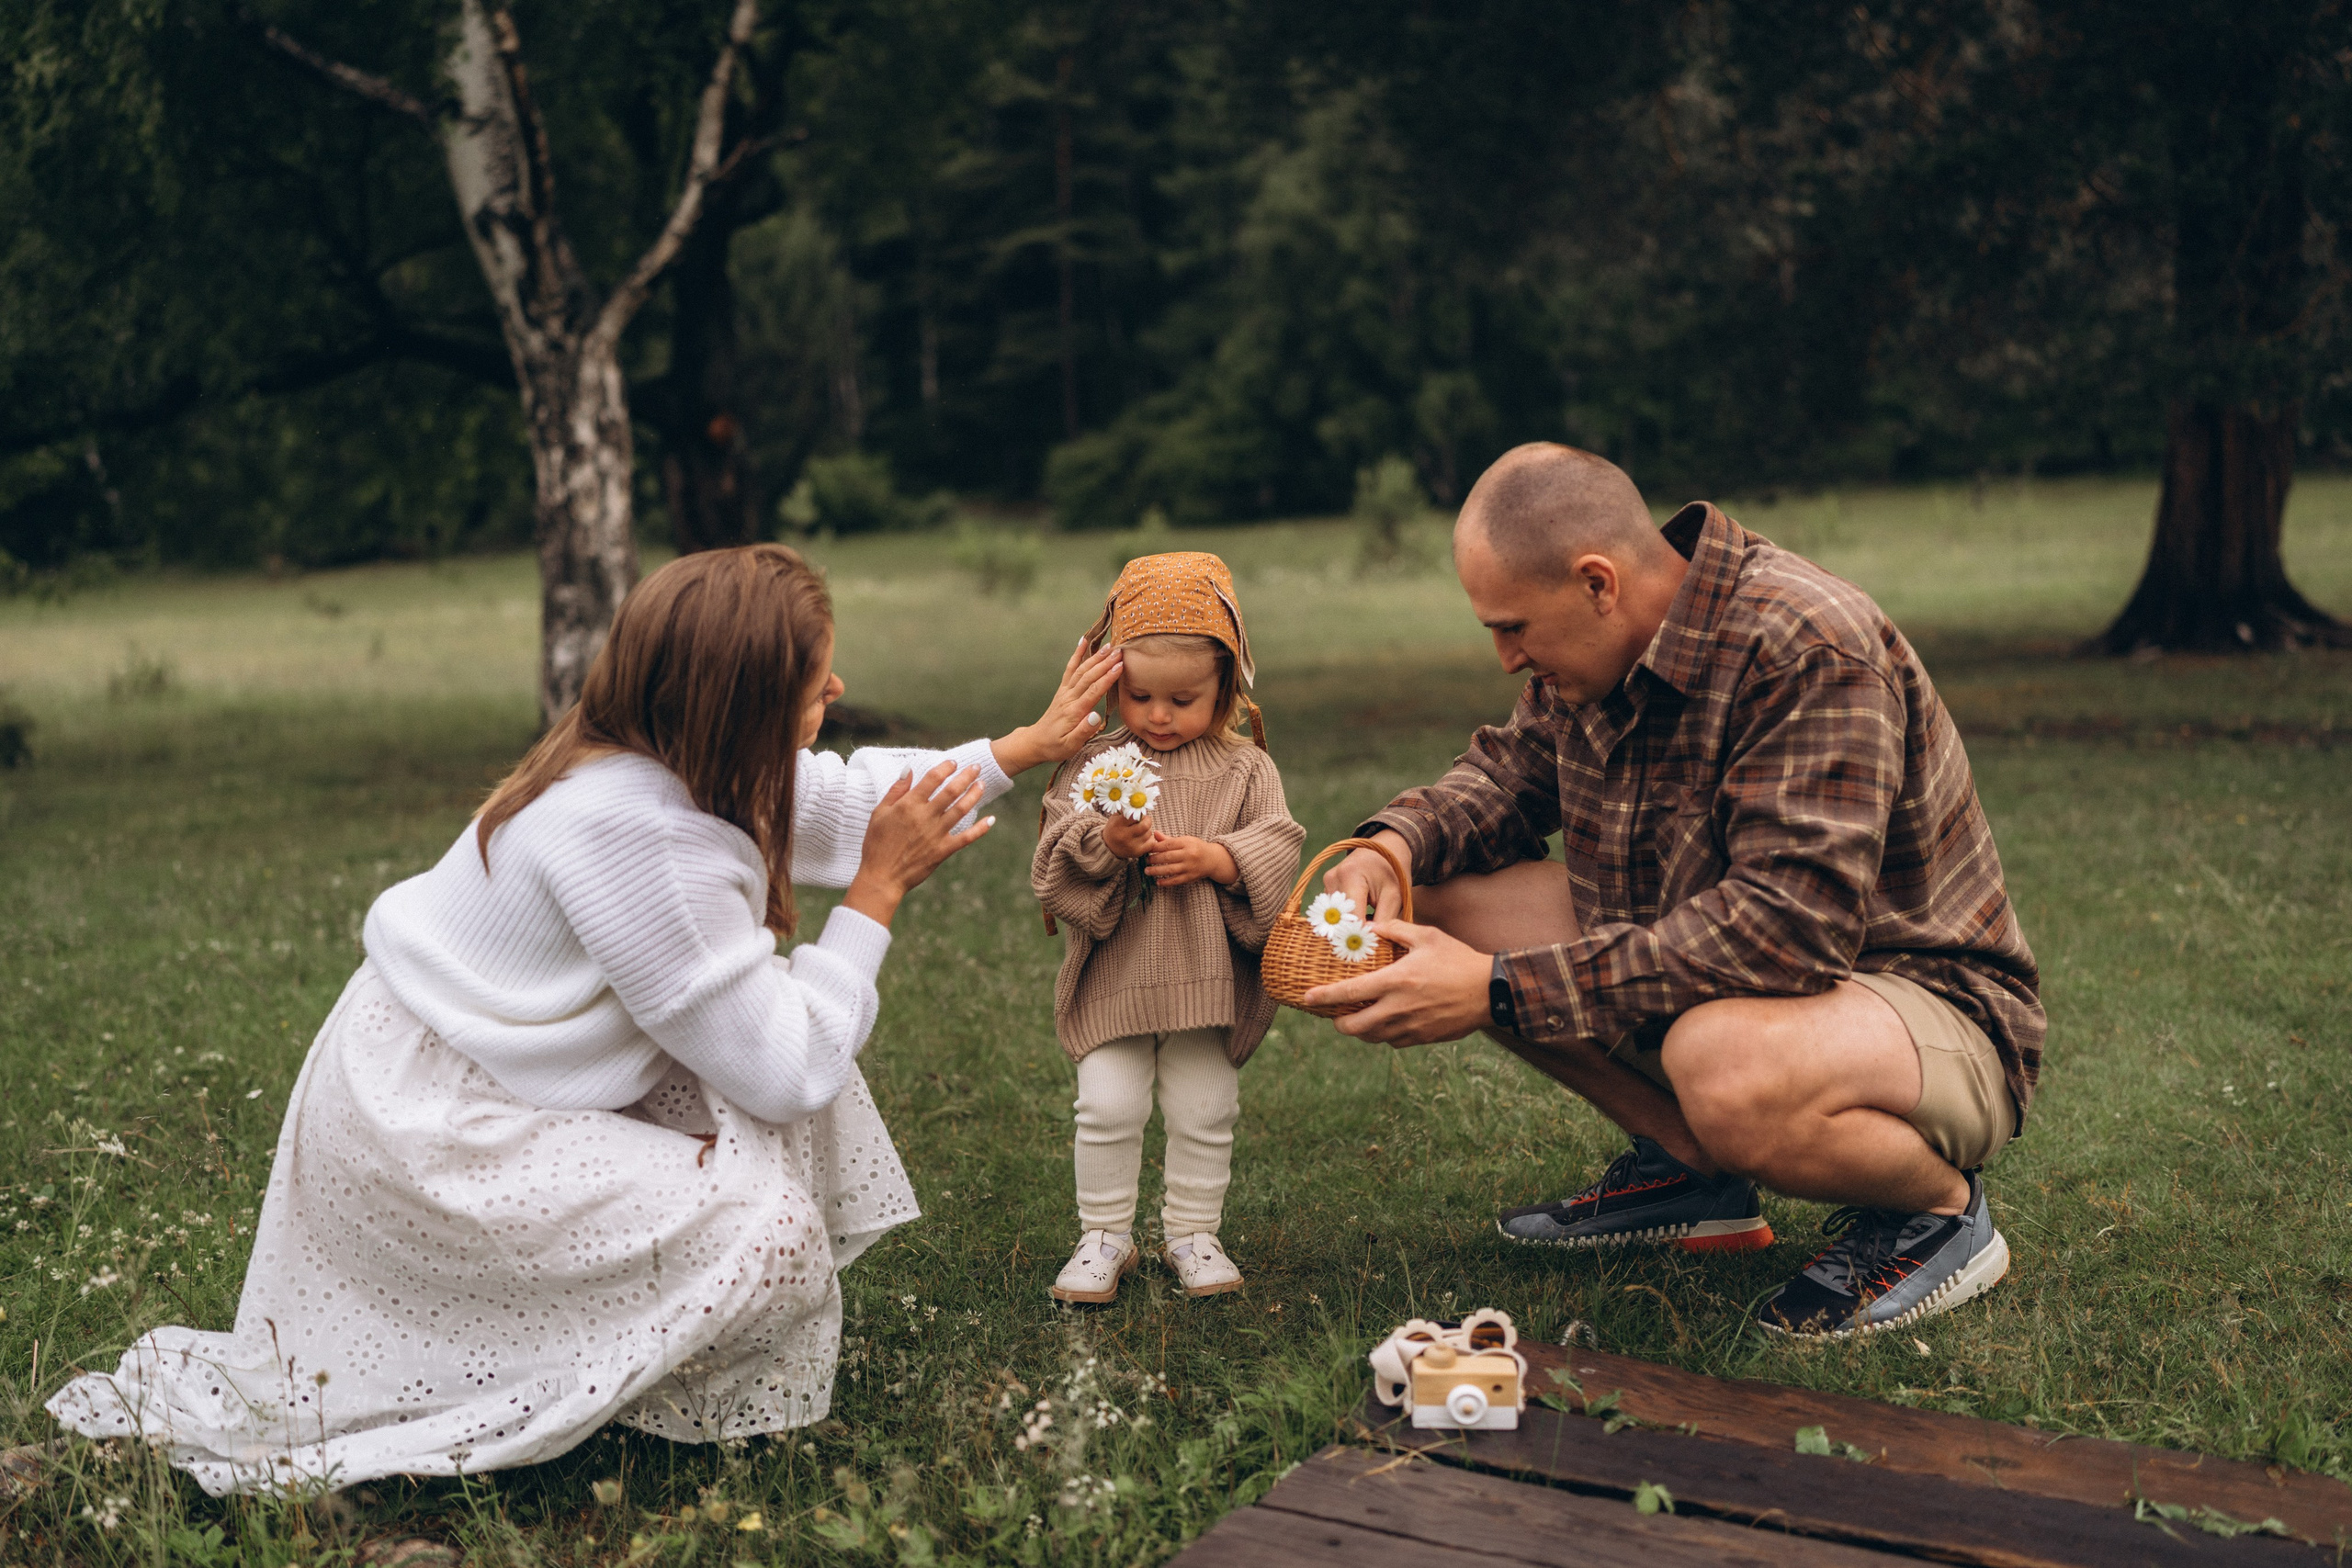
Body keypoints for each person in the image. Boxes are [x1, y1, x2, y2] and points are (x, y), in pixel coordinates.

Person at [48, 544, 1122, 1493]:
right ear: (737, 704)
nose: (838, 688)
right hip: (431, 1136)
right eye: (812, 677)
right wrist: (875, 899)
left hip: (468, 1077)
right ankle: (565, 1373)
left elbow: (836, 799)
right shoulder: (637, 833)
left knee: (782, 1055)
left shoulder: (661, 754)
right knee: (772, 1206)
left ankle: (631, 1332)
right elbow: (788, 1068)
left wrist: (1018, 749)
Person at [1309, 445, 2044, 1338]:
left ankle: (1935, 1215)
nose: (1505, 658)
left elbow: (1786, 932)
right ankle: (1695, 1175)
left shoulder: (1808, 645)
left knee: (1719, 1059)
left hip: (1924, 1010)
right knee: (1436, 903)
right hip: (1733, 977)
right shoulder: (1589, 656)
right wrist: (1389, 847)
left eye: (1511, 627)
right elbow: (1504, 780)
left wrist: (1495, 989)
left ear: (1596, 583)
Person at [1032, 553, 1306, 1303]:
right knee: (1108, 1103)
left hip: (1204, 980)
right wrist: (1106, 844)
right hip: (1121, 974)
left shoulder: (1246, 768)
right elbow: (1053, 852)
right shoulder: (1096, 761)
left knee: (1205, 1105)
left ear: (1227, 687)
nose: (1157, 715)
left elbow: (1279, 841)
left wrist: (1221, 857)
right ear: (1111, 678)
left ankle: (1192, 1230)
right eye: (1140, 694)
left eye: (1183, 698)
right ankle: (1104, 1235)